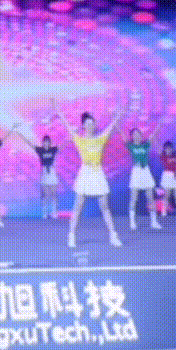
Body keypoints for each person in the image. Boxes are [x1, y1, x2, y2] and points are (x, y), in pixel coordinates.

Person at [53, 99, 124, 248]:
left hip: (98, 173)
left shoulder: (101, 139)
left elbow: (112, 126)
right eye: (87, 123)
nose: (90, 125)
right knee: (78, 206)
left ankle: (113, 236)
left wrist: (118, 115)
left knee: (104, 206)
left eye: (92, 123)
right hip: (85, 173)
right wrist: (59, 112)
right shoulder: (79, 140)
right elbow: (67, 126)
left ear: (95, 125)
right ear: (83, 126)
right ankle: (71, 235)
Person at [127, 120, 163, 231]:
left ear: (141, 135)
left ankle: (154, 222)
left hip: (146, 172)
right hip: (136, 172)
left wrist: (160, 124)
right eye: (134, 134)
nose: (137, 136)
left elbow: (154, 134)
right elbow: (122, 134)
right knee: (134, 198)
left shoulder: (146, 145)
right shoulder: (131, 146)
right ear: (132, 136)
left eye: (138, 134)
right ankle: (132, 222)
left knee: (150, 198)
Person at [16, 130, 60, 219]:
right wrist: (20, 134)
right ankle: (44, 213)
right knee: (45, 195)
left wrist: (72, 135)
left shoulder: (53, 149)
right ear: (42, 143)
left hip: (52, 172)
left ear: (50, 143)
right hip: (44, 172)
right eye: (44, 142)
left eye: (48, 142)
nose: (46, 143)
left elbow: (63, 144)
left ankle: (54, 213)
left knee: (54, 194)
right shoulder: (40, 150)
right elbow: (29, 143)